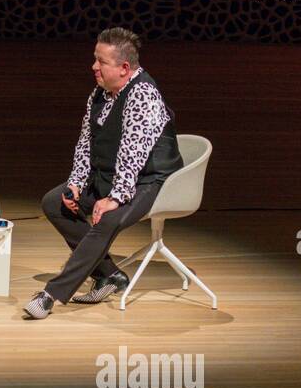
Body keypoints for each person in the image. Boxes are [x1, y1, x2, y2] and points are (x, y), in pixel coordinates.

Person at [24, 28, 184, 319]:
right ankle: (109, 275)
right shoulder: (100, 93)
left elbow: (132, 153)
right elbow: (86, 143)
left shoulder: (143, 95)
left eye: (101, 61)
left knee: (107, 217)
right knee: (54, 202)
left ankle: (52, 295)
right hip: (112, 177)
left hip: (152, 180)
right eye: (94, 59)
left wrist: (115, 197)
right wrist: (75, 184)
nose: (94, 67)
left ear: (124, 68)